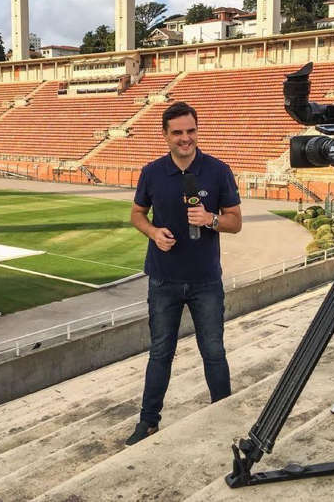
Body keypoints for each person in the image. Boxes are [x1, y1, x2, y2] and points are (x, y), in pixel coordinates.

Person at [126, 101, 242, 445]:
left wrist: (211, 219)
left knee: (214, 352)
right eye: (177, 132)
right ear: (165, 135)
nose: (185, 138)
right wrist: (153, 233)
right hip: (164, 278)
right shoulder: (152, 172)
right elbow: (136, 214)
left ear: (197, 131)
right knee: (161, 353)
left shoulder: (218, 170)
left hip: (206, 279)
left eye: (191, 130)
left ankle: (223, 417)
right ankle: (148, 422)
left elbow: (235, 222)